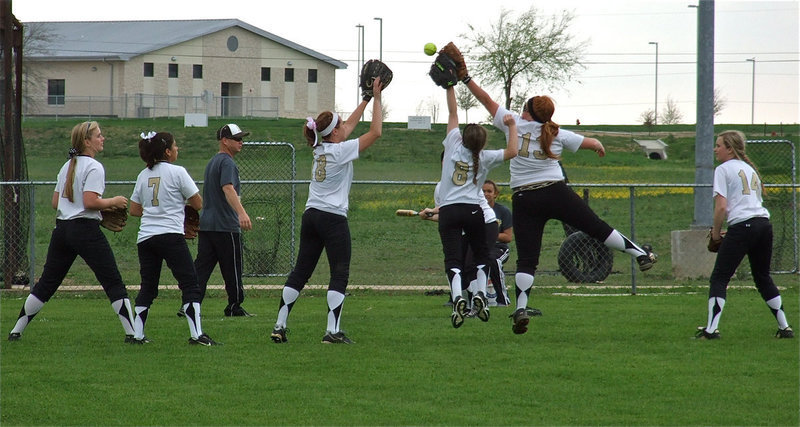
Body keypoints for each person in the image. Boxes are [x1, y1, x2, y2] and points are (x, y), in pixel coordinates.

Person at [465, 77, 657, 335]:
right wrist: (597, 146)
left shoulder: (515, 123)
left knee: (528, 259)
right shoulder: (554, 132)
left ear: (528, 113)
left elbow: (486, 100)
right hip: (556, 191)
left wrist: (466, 79)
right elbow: (591, 143)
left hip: (525, 198)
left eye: (525, 107)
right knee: (597, 228)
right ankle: (640, 254)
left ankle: (521, 307)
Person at [270, 77, 385, 345]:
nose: (347, 126)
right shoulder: (341, 150)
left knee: (301, 271)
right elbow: (376, 132)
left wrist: (366, 98)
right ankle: (332, 331)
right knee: (339, 273)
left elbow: (350, 125)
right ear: (334, 133)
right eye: (341, 125)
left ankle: (280, 325)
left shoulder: (319, 147)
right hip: (332, 218)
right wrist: (378, 99)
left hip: (311, 215)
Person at [7, 121, 136, 342]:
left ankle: (16, 330)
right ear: (87, 142)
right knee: (113, 281)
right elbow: (89, 202)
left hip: (62, 230)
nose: (102, 138)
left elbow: (56, 202)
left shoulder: (67, 165)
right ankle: (134, 334)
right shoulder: (94, 166)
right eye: (98, 135)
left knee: (47, 283)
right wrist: (112, 201)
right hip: (85, 230)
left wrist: (83, 207)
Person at [434, 84, 518, 329]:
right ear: (481, 144)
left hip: (449, 211)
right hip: (474, 211)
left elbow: (452, 114)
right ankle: (480, 293)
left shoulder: (452, 144)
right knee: (482, 255)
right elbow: (513, 150)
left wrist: (449, 87)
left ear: (462, 138)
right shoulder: (485, 156)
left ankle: (459, 296)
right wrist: (512, 126)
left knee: (453, 259)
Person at [696, 130, 793, 340]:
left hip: (744, 226)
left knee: (720, 277)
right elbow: (747, 207)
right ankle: (784, 327)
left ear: (730, 149)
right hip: (763, 225)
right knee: (762, 276)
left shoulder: (723, 169)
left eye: (719, 145)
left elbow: (721, 208)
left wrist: (715, 233)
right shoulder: (749, 169)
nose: (715, 149)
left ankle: (711, 330)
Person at [129, 131, 218, 346]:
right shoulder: (178, 172)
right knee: (190, 284)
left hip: (146, 237)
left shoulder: (143, 175)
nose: (177, 149)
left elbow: (134, 210)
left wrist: (155, 211)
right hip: (170, 235)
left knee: (148, 287)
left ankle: (137, 335)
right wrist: (178, 210)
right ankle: (197, 335)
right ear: (167, 152)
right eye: (175, 146)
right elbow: (198, 204)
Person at [191, 123, 253, 317]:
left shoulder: (212, 162)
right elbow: (228, 188)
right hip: (225, 225)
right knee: (232, 268)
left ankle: (190, 303)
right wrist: (241, 213)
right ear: (225, 141)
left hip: (208, 225)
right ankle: (234, 305)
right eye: (237, 139)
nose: (241, 142)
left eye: (241, 138)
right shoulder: (227, 162)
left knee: (201, 269)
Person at [481, 179, 512, 306]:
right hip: (481, 246)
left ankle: (502, 299)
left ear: (495, 194)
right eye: (482, 191)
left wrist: (491, 234)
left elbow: (508, 237)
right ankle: (464, 298)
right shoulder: (475, 210)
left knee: (493, 260)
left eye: (489, 191)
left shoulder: (503, 211)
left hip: (499, 248)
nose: (486, 194)